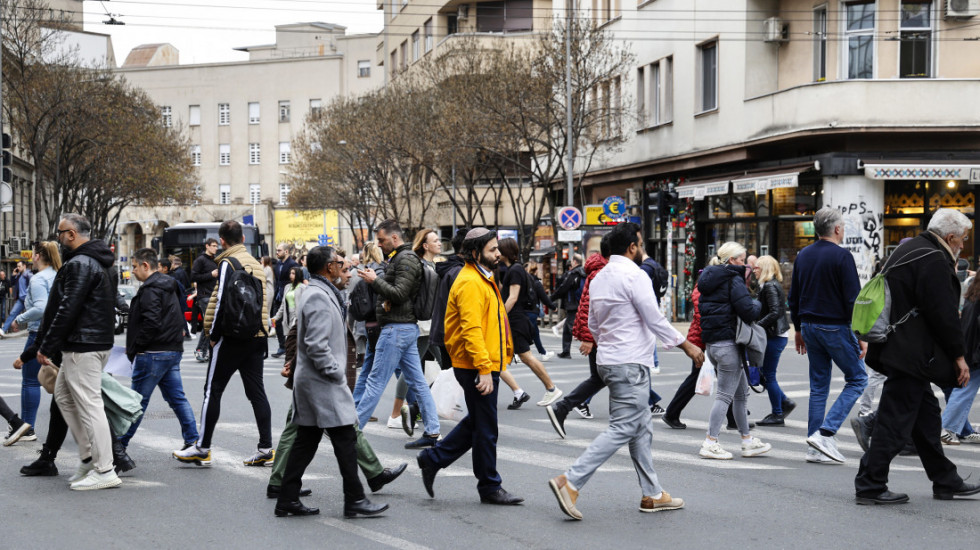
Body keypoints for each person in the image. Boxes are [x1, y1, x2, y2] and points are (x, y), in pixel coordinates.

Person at [548, 222, 702, 520]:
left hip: (608, 359)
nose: (642, 248)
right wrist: (688, 346)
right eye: (640, 243)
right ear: (632, 247)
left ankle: (653, 494)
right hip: (630, 362)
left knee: (641, 426)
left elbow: (592, 324)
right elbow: (655, 319)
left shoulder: (600, 277)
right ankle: (571, 481)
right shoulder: (635, 275)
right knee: (624, 427)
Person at [855, 209, 980, 504]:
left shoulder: (911, 249)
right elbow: (943, 314)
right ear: (950, 237)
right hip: (911, 354)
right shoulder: (933, 259)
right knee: (893, 421)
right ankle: (870, 485)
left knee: (926, 420)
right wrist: (959, 356)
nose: (963, 245)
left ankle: (945, 480)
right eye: (962, 240)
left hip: (898, 349)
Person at [267, 257, 407, 501]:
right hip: (318, 378)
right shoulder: (317, 295)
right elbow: (303, 335)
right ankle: (358, 491)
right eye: (345, 270)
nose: (350, 274)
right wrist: (330, 371)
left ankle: (285, 488)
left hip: (317, 376)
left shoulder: (327, 293)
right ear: (329, 268)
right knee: (332, 429)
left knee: (313, 432)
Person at [416, 228, 523, 505]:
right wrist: (485, 369)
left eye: (497, 249)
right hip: (476, 365)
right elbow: (472, 329)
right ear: (475, 254)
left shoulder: (481, 278)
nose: (498, 254)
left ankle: (432, 459)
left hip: (481, 362)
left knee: (478, 422)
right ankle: (489, 486)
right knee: (486, 428)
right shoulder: (470, 282)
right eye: (492, 250)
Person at [173, 220, 272, 467]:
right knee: (256, 392)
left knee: (212, 391)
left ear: (223, 240)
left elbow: (222, 302)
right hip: (256, 336)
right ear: (242, 238)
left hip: (232, 336)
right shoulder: (255, 263)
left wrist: (213, 336)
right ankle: (266, 448)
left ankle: (203, 447)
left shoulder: (229, 262)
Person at [37, 213, 119, 490]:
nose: (57, 238)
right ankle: (87, 456)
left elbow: (67, 308)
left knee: (89, 403)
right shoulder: (99, 261)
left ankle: (105, 468)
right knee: (63, 395)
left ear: (71, 234)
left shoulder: (80, 264)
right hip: (92, 341)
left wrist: (47, 345)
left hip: (83, 344)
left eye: (59, 233)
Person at [789, 207, 869, 464]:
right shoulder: (842, 257)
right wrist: (860, 333)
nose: (843, 230)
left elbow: (794, 296)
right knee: (858, 379)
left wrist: (798, 329)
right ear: (836, 229)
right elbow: (853, 300)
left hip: (810, 326)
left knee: (819, 386)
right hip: (834, 326)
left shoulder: (803, 255)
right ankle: (826, 433)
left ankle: (814, 446)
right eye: (843, 226)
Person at [355, 219, 441, 449]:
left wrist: (375, 281)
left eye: (382, 240)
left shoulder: (405, 259)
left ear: (394, 238)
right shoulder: (402, 258)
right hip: (404, 328)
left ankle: (351, 434)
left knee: (374, 382)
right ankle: (433, 431)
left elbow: (400, 293)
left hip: (396, 329)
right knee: (418, 382)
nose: (379, 244)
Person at [116, 248, 199, 470]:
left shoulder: (151, 289)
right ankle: (194, 442)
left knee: (136, 403)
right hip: (172, 350)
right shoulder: (168, 285)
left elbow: (151, 322)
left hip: (152, 353)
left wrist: (136, 347)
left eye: (134, 266)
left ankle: (119, 448)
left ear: (145, 266)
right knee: (177, 399)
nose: (132, 271)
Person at [695, 242, 771, 460]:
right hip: (729, 343)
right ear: (731, 260)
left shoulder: (707, 279)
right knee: (725, 396)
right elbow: (748, 311)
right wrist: (758, 304)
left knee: (740, 395)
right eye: (741, 259)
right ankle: (710, 441)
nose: (744, 264)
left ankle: (747, 441)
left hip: (714, 344)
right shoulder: (732, 279)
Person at [545, 236, 610, 436]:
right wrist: (588, 337)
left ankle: (563, 408)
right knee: (608, 378)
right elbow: (589, 307)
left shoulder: (598, 271)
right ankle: (563, 407)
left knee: (600, 378)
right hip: (599, 335)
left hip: (600, 334)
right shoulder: (601, 273)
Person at [388, 228, 444, 434]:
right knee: (412, 370)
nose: (439, 243)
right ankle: (396, 413)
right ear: (425, 246)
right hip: (423, 325)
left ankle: (421, 409)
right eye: (435, 241)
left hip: (432, 323)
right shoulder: (420, 266)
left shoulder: (433, 265)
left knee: (445, 365)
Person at [497, 238, 562, 406]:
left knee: (526, 356)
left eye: (498, 249)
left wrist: (499, 315)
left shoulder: (516, 270)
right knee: (514, 356)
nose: (496, 252)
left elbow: (513, 297)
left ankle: (551, 388)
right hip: (517, 319)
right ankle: (522, 392)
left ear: (505, 251)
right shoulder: (514, 269)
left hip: (516, 319)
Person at [9, 242, 61, 442]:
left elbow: (41, 308)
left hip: (39, 332)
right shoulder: (58, 274)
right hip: (59, 333)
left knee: (30, 381)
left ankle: (27, 427)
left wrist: (19, 319)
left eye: (33, 253)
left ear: (38, 256)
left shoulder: (38, 279)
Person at [754, 255, 796, 426]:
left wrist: (757, 326)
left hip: (775, 336)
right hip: (774, 335)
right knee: (764, 373)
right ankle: (784, 402)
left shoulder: (770, 286)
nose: (754, 269)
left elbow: (775, 312)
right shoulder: (767, 285)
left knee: (768, 375)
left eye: (757, 267)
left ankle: (777, 413)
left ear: (764, 268)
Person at [662, 273, 705, 430]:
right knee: (696, 378)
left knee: (726, 378)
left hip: (701, 340)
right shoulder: (702, 289)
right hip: (702, 341)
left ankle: (734, 416)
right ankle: (671, 413)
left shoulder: (702, 286)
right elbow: (702, 318)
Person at [941, 273, 980, 445]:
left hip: (970, 349)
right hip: (975, 352)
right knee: (964, 390)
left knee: (964, 389)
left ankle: (952, 429)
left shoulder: (973, 294)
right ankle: (947, 428)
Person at [350, 241, 384, 406]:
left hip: (366, 323)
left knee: (368, 366)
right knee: (400, 368)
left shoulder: (358, 272)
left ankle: (356, 403)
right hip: (381, 323)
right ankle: (414, 405)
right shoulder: (379, 271)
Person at [191, 238, 220, 362]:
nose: (216, 248)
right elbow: (193, 276)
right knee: (209, 323)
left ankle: (206, 349)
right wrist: (210, 275)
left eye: (216, 246)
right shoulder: (200, 260)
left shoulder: (215, 260)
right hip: (204, 296)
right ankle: (200, 349)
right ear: (207, 246)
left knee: (212, 324)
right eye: (213, 246)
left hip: (214, 295)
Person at [550, 255, 585, 358]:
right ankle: (566, 351)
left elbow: (563, 288)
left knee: (568, 328)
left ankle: (566, 352)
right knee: (575, 326)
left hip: (573, 304)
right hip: (583, 303)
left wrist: (550, 299)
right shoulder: (584, 273)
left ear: (574, 261)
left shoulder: (573, 273)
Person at [271, 243, 299, 358]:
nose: (277, 253)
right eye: (277, 250)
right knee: (276, 320)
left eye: (279, 251)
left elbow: (297, 279)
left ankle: (289, 347)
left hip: (289, 296)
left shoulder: (293, 264)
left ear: (286, 252)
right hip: (278, 295)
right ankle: (281, 346)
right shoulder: (278, 264)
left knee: (289, 323)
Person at [525, 264, 556, 361]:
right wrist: (552, 306)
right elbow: (544, 298)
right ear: (535, 271)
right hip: (532, 310)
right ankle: (519, 354)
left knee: (531, 333)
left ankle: (543, 353)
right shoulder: (536, 283)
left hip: (523, 310)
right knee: (531, 333)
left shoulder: (523, 282)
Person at [273, 267, 304, 345]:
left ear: (298, 275)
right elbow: (283, 305)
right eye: (290, 273)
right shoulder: (287, 287)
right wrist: (276, 318)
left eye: (293, 273)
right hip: (287, 316)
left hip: (297, 316)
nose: (291, 275)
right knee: (290, 339)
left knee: (293, 338)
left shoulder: (302, 287)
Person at [2, 260, 32, 336]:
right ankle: (3, 330)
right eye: (17, 266)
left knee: (33, 315)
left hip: (28, 299)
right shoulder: (18, 275)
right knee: (13, 313)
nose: (18, 268)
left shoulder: (28, 274)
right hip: (21, 299)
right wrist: (13, 275)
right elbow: (11, 284)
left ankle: (36, 330)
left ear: (24, 266)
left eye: (19, 266)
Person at [261, 256, 275, 332]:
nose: (261, 260)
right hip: (267, 291)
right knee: (267, 311)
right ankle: (271, 327)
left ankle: (272, 327)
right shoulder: (267, 268)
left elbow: (262, 276)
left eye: (262, 259)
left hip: (268, 291)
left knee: (267, 311)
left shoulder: (267, 268)